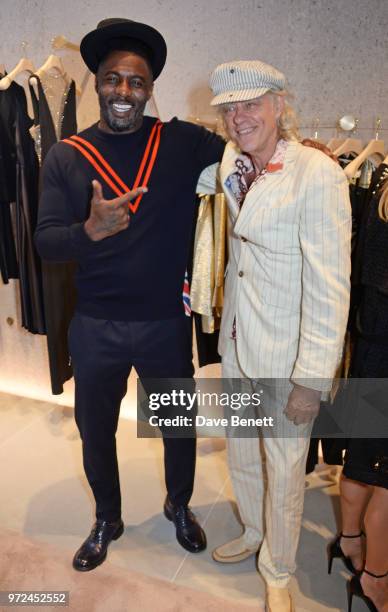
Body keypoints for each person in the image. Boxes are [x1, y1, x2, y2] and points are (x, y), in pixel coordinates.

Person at [34, 18, 225, 572]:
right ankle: (107, 517)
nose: (124, 92)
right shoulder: (67, 156)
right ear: (96, 81)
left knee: (177, 427)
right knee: (94, 429)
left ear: (150, 89)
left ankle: (179, 505)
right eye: (113, 79)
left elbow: (245, 157)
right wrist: (87, 231)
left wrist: (295, 151)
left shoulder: (185, 142)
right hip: (96, 326)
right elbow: (45, 240)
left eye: (136, 82)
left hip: (166, 323)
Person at [208, 60, 351, 611]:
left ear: (279, 105)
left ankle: (279, 568)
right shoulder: (230, 161)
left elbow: (329, 287)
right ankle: (252, 531)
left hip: (287, 354)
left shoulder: (317, 174)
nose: (239, 117)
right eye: (229, 108)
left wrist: (310, 379)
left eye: (251, 104)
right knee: (242, 453)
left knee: (286, 467)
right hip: (240, 342)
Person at [328, 163, 388, 612]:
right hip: (383, 353)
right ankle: (376, 580)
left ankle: (349, 542)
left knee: (364, 461)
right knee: (384, 481)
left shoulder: (383, 192)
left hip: (373, 348)